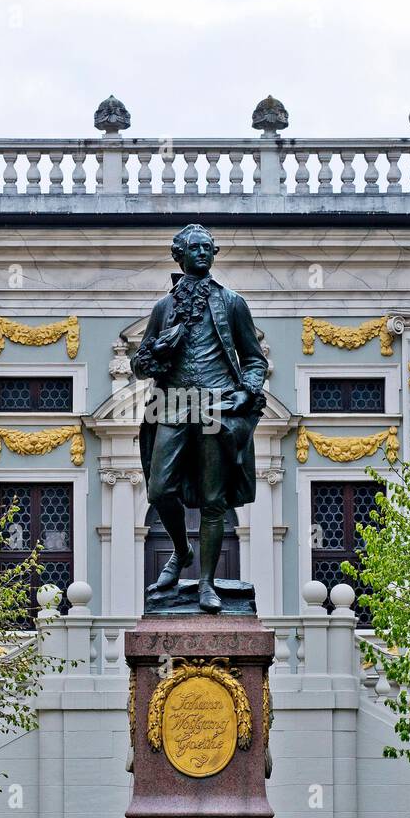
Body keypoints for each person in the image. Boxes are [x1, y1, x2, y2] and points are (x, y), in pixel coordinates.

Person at [132, 225, 268, 613]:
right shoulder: (163, 308)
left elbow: (254, 359)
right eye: (196, 248)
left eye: (209, 248)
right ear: (180, 255)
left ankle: (207, 583)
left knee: (214, 500)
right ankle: (181, 549)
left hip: (216, 406)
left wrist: (246, 391)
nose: (204, 254)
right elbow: (141, 364)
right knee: (159, 490)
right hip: (173, 404)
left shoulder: (232, 303)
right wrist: (158, 346)